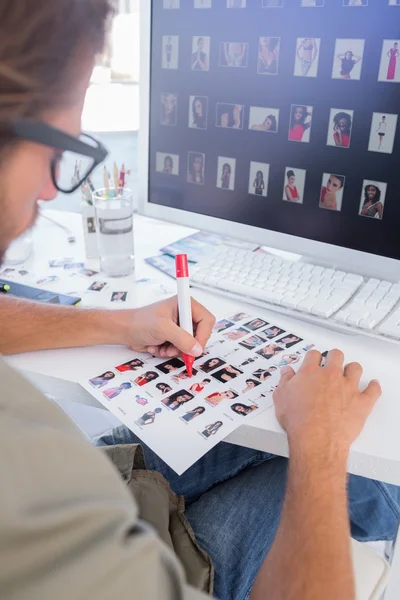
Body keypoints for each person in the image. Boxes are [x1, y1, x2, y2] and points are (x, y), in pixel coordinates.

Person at [1, 4, 399, 600]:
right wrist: (319, 443)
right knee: (314, 465)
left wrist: (122, 321)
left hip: (80, 481)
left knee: (262, 439)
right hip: (145, 561)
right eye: (59, 151)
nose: (47, 191)